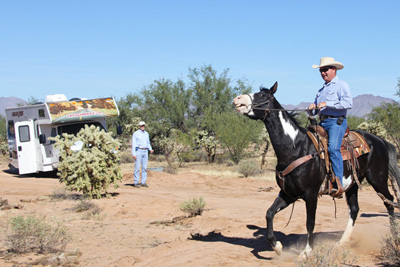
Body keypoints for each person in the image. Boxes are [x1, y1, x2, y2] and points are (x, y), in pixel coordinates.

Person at [307, 57, 353, 198]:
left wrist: (328, 103)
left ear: (334, 69)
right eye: (321, 70)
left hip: (336, 122)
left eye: (325, 69)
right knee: (310, 146)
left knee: (333, 148)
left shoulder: (341, 85)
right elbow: (316, 110)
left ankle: (338, 183)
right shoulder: (321, 90)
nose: (323, 73)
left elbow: (348, 103)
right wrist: (311, 109)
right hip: (322, 121)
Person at [132, 121, 154, 187]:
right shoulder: (136, 134)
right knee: (137, 167)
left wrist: (150, 149)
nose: (142, 127)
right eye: (141, 126)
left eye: (143, 125)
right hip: (139, 150)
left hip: (145, 151)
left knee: (144, 167)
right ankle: (136, 182)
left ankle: (143, 182)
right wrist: (134, 154)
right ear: (139, 126)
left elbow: (148, 143)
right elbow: (134, 144)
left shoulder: (146, 134)